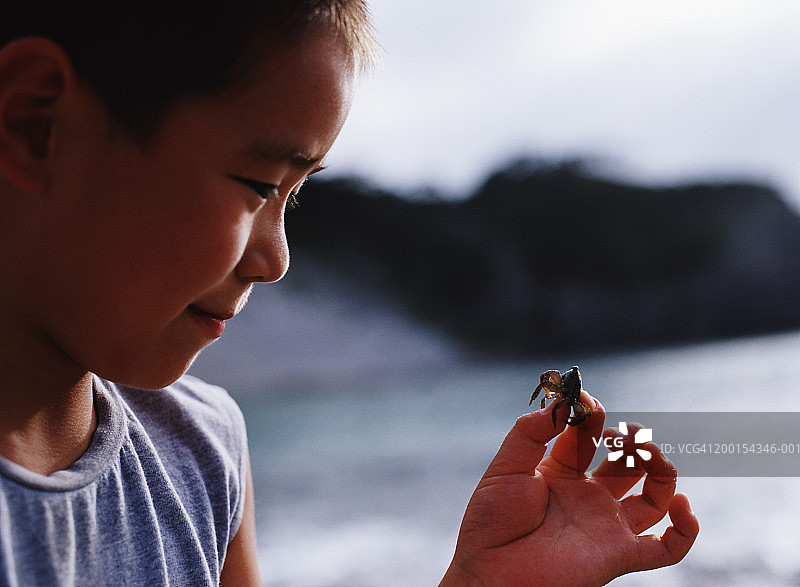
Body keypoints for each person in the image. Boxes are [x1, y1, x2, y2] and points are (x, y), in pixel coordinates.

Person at [0, 2, 698, 585]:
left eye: (295, 198)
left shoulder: (201, 449)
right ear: (38, 127)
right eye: (261, 185)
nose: (276, 260)